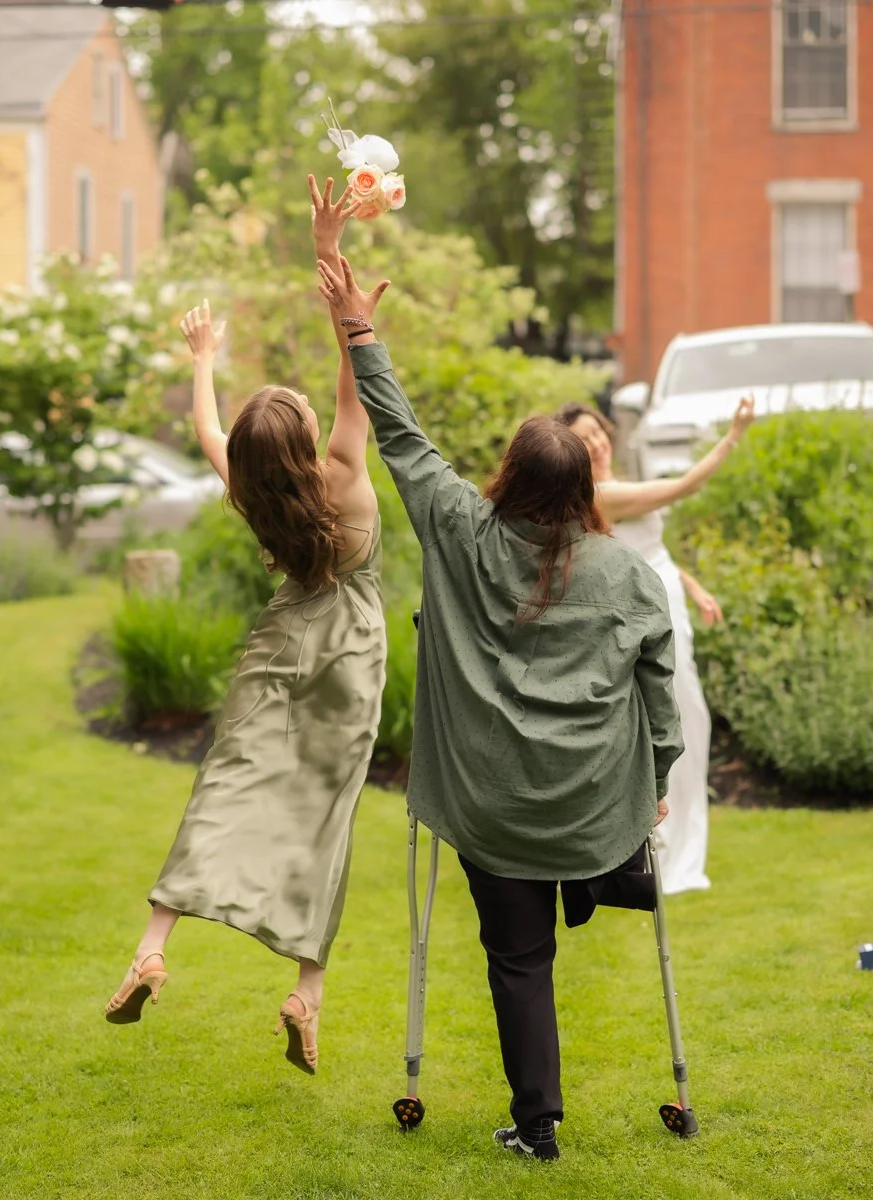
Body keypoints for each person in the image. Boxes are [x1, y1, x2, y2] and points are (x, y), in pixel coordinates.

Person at [316, 254, 682, 1162]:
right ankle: (602, 874)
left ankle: (538, 1126)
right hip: (592, 804)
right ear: (583, 490)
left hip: (492, 806)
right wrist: (659, 784)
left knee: (520, 960)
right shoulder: (629, 578)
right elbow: (662, 707)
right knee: (587, 847)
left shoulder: (459, 528)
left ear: (511, 475)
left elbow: (400, 436)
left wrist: (359, 329)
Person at [104, 177, 386, 1074]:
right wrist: (334, 264)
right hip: (352, 648)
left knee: (225, 782)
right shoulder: (341, 469)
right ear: (305, 438)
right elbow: (358, 369)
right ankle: (305, 993)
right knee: (326, 817)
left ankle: (154, 944)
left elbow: (204, 425)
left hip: (283, 635)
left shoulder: (247, 485)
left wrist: (202, 356)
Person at [555, 399, 754, 894]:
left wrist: (691, 584)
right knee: (670, 718)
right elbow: (684, 487)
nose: (597, 441)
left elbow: (650, 548)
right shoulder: (599, 494)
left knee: (690, 715)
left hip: (667, 598)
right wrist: (732, 436)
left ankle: (682, 844)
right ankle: (661, 842)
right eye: (583, 438)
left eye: (598, 431)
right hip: (641, 608)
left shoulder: (616, 482)